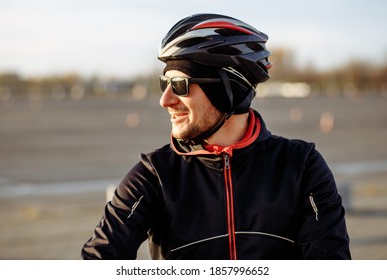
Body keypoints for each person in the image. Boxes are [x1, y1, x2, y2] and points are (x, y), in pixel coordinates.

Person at [81, 13, 351, 260]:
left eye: (180, 85)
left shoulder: (301, 166)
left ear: (227, 89)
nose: (165, 100)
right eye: (165, 84)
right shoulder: (154, 175)